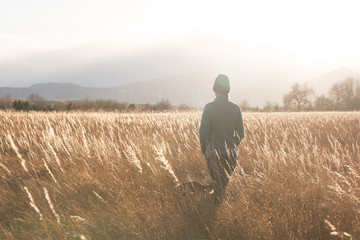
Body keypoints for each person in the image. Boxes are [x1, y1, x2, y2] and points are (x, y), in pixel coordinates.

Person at [199, 74, 245, 204]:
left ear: (215, 90)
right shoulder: (235, 109)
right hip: (230, 155)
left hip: (213, 153)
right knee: (221, 186)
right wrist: (232, 146)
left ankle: (215, 212)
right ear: (228, 91)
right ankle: (220, 210)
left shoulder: (209, 107)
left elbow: (203, 133)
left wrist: (205, 150)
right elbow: (241, 133)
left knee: (218, 187)